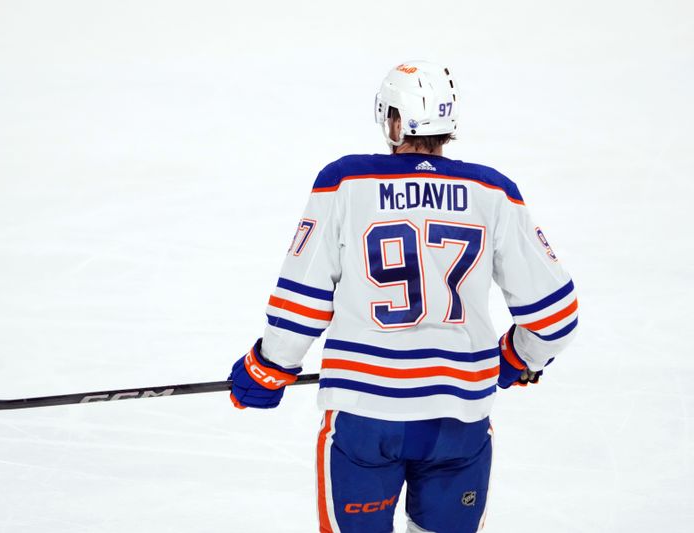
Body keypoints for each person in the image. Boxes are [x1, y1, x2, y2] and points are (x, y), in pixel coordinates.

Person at [228, 61, 578, 533]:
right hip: (459, 422)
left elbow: (302, 300)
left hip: (365, 420)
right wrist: (518, 357)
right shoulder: (493, 191)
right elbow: (555, 315)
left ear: (393, 120)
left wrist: (267, 367)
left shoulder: (345, 182)